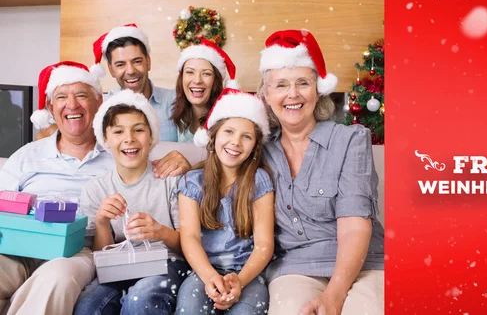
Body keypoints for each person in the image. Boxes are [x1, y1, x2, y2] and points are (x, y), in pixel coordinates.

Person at [257, 29, 385, 315]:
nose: (292, 94)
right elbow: (220, 165)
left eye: (303, 83)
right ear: (266, 95)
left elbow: (354, 228)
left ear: (318, 90)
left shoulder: (351, 140)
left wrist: (334, 296)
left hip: (366, 264)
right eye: (281, 85)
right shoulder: (258, 148)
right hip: (296, 268)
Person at [0, 61, 114, 315]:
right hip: (19, 246)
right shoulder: (27, 155)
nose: (72, 105)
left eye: (81, 95)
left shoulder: (119, 155)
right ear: (51, 108)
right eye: (61, 96)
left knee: (58, 278)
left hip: (78, 250)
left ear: (98, 101)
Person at [73, 89, 191, 315]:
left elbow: (189, 244)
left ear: (151, 137)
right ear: (105, 140)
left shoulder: (170, 181)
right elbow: (99, 257)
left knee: (141, 299)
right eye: (118, 131)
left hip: (167, 264)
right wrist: (101, 222)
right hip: (116, 269)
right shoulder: (95, 189)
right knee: (89, 304)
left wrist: (160, 232)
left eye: (138, 130)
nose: (129, 139)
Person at [37, 23, 192, 178]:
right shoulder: (99, 106)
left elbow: (201, 144)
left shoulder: (176, 100)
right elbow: (52, 135)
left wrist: (186, 159)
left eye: (137, 61)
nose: (130, 71)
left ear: (148, 62)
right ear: (111, 69)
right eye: (120, 64)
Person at [175, 88, 275, 314]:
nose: (235, 142)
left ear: (255, 147)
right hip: (203, 271)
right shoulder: (192, 182)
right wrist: (210, 276)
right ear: (214, 136)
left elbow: (264, 244)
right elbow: (189, 237)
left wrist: (239, 280)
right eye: (228, 131)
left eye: (246, 136)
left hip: (248, 273)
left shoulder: (259, 181)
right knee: (190, 307)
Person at [172, 39, 240, 143]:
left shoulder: (229, 119)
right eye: (190, 72)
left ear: (215, 81)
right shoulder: (174, 114)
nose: (197, 80)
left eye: (206, 73)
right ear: (181, 79)